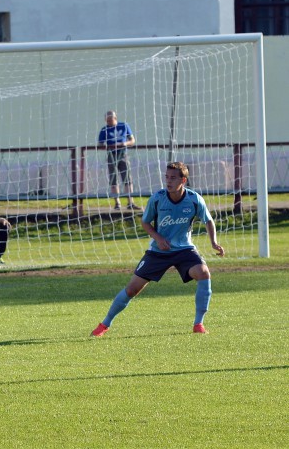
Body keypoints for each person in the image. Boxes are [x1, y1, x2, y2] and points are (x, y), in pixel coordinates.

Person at [91, 162, 225, 337]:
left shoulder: (194, 199)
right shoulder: (157, 198)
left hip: (184, 250)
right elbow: (145, 223)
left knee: (203, 272)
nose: (168, 181)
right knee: (132, 289)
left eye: (173, 178)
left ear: (183, 180)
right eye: (166, 177)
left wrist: (213, 242)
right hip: (158, 252)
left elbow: (208, 220)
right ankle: (104, 324)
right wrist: (159, 238)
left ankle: (198, 323)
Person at [98, 110, 140, 210]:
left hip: (123, 154)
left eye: (110, 120)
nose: (108, 122)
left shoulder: (124, 126)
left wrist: (125, 144)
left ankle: (130, 202)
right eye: (107, 120)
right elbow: (100, 144)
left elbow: (132, 140)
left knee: (127, 178)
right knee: (113, 179)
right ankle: (117, 203)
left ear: (115, 118)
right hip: (111, 155)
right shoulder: (104, 130)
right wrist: (108, 146)